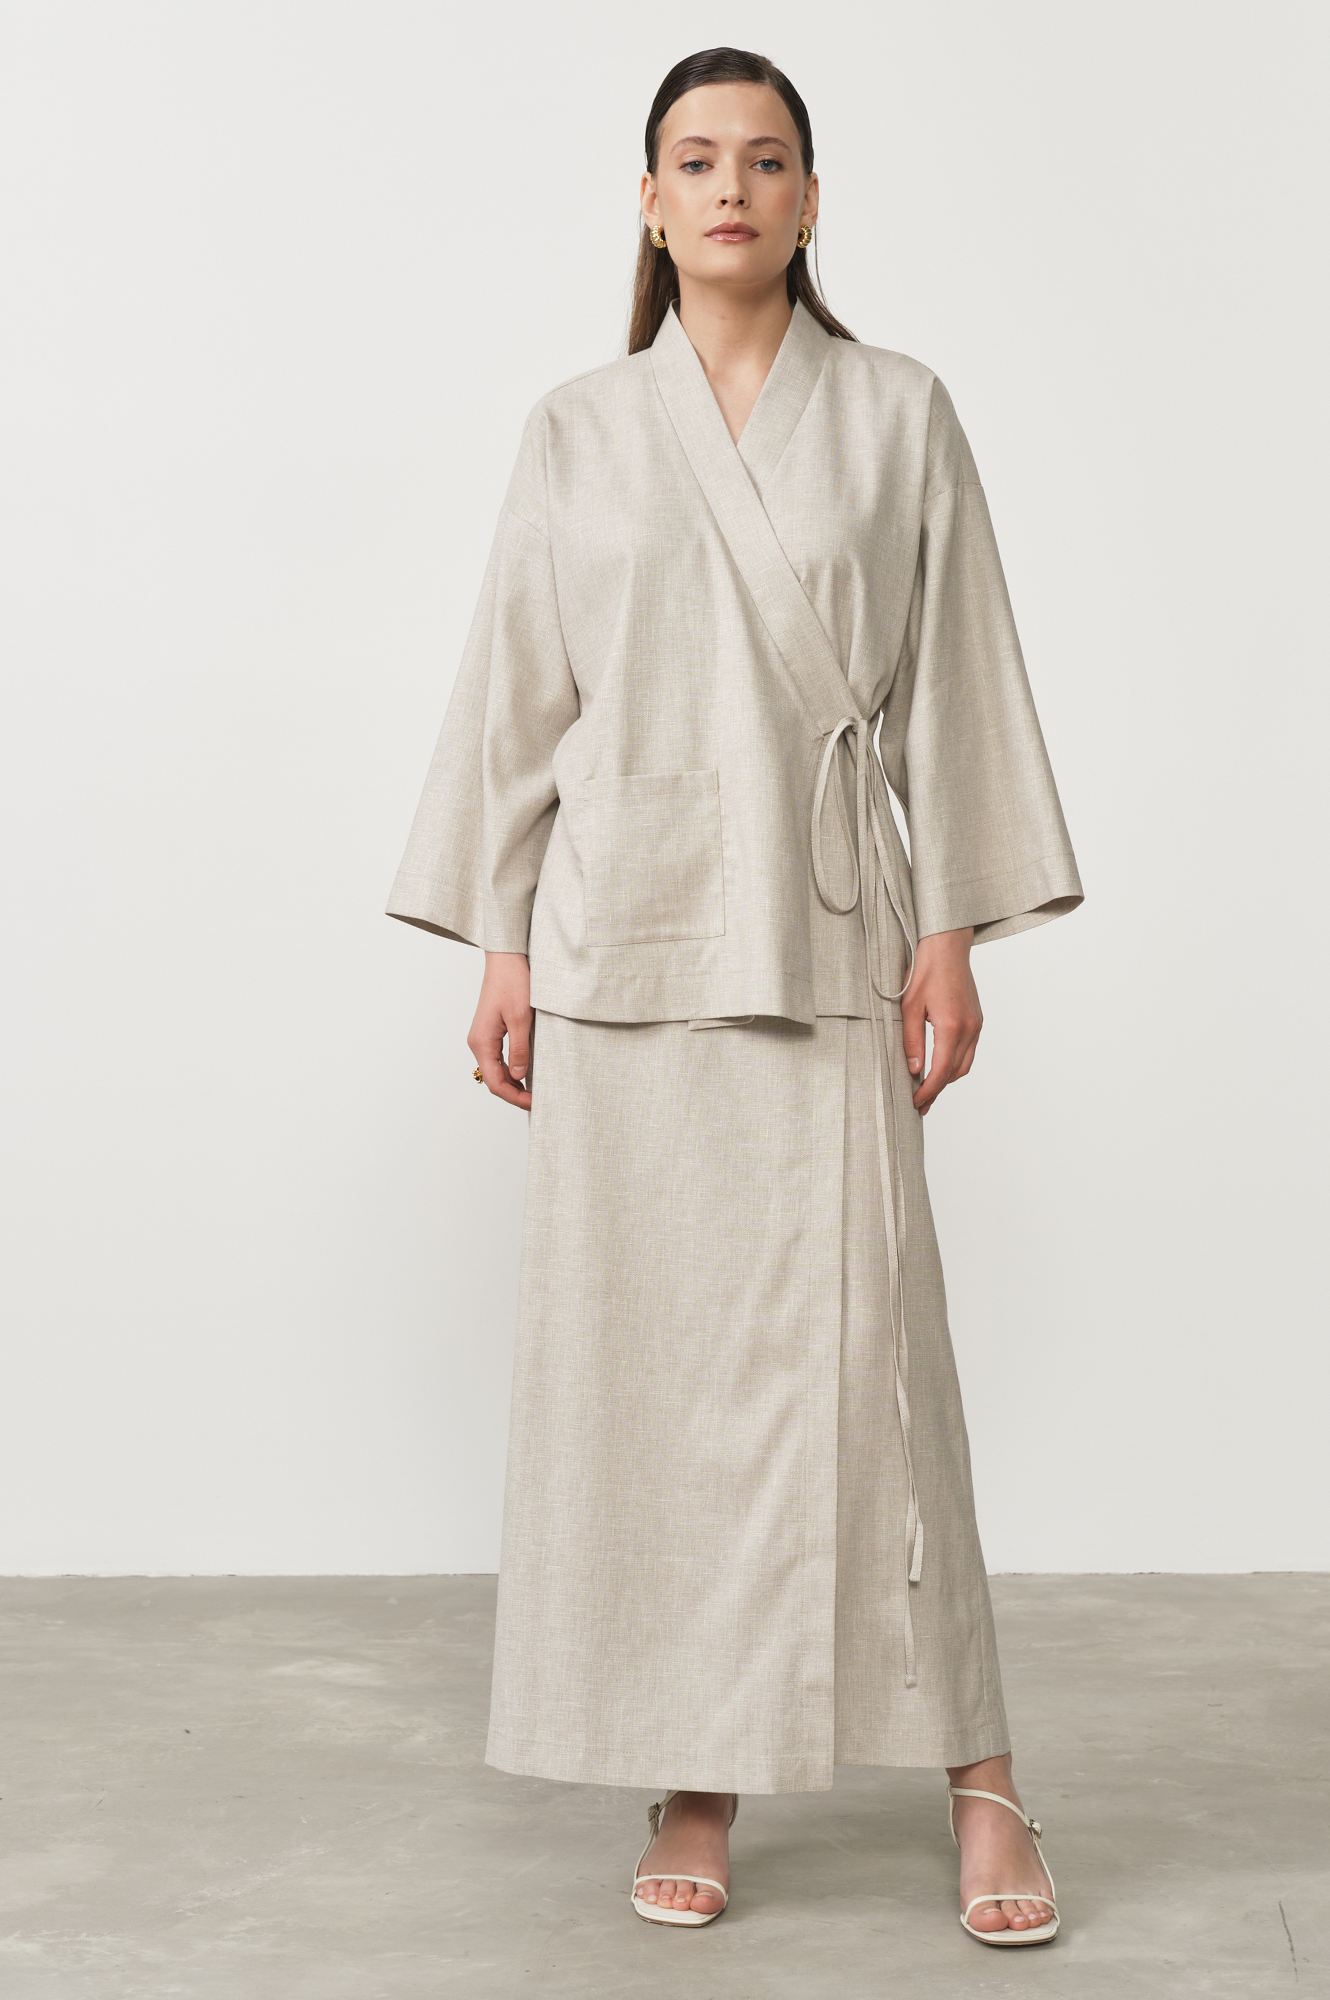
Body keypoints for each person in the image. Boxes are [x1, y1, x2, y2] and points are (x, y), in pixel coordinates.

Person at [387, 45, 1083, 1947]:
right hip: (626, 946)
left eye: (765, 161)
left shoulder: (900, 412)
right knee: (656, 1381)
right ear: (647, 199)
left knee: (886, 1371)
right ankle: (693, 1765)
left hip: (830, 929)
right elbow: (519, 691)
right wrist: (504, 941)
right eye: (693, 161)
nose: (728, 189)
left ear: (809, 199)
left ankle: (984, 1775)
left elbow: (956, 668)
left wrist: (951, 928)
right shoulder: (576, 429)